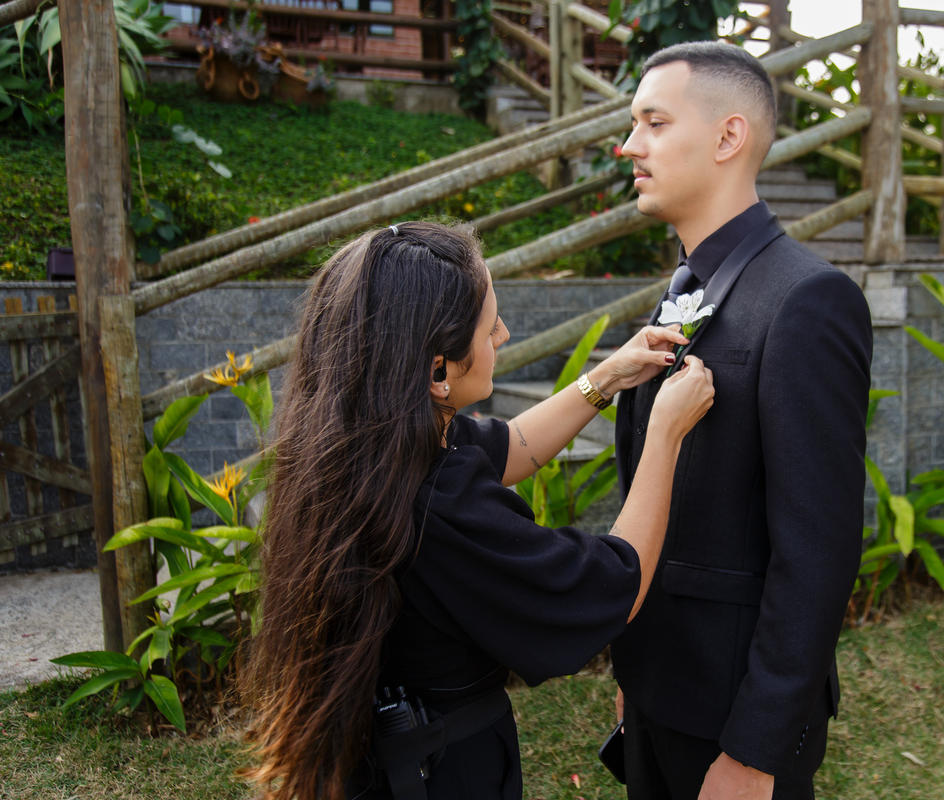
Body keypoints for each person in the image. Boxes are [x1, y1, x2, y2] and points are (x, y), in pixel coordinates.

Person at [242, 221, 716, 800]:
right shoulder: (439, 501)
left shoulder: (367, 445)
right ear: (437, 370)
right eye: (490, 328)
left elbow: (511, 446)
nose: (505, 333)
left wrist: (606, 379)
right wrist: (665, 433)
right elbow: (615, 582)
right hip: (441, 772)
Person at [611, 42, 873, 800]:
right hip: (661, 689)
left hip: (733, 717)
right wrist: (638, 667)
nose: (631, 146)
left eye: (654, 123)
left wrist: (756, 750)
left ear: (729, 138)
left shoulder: (807, 299)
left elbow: (817, 551)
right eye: (634, 125)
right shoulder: (686, 288)